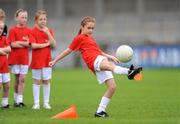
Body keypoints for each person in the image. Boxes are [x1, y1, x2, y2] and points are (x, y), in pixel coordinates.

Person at [49, 16, 142, 117]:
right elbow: (68, 50)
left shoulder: (91, 38)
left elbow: (98, 51)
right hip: (93, 60)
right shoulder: (79, 38)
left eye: (92, 28)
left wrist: (110, 56)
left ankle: (100, 111)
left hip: (99, 58)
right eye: (89, 28)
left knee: (112, 87)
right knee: (110, 65)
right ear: (82, 27)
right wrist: (55, 60)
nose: (91, 30)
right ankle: (129, 72)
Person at [31, 10, 56, 109]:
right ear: (36, 20)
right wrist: (46, 44)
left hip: (47, 61)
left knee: (46, 81)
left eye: (45, 19)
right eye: (40, 19)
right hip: (37, 60)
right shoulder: (32, 31)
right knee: (37, 81)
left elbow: (54, 44)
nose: (43, 21)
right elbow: (33, 45)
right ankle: (36, 103)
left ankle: (46, 103)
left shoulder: (49, 30)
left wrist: (48, 33)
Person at [8, 9, 32, 107]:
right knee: (17, 79)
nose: (24, 19)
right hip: (15, 59)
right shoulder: (13, 30)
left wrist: (19, 43)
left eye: (25, 17)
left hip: (24, 59)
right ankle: (16, 100)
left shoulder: (29, 30)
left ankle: (20, 100)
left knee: (23, 79)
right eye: (22, 17)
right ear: (17, 18)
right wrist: (24, 44)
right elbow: (13, 44)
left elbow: (30, 44)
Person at [0, 21, 11, 108]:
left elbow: (9, 49)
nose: (0, 30)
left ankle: (5, 103)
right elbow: (6, 50)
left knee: (7, 86)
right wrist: (4, 51)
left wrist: (1, 51)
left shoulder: (4, 38)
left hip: (4, 66)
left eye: (1, 28)